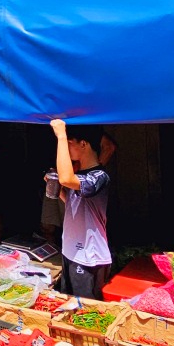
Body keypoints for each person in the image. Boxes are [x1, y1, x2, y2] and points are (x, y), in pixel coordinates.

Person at [50, 118, 111, 301]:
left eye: (70, 144)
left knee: (85, 311)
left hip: (89, 257)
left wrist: (61, 135)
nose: (67, 149)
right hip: (70, 250)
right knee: (69, 306)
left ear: (83, 144)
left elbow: (66, 179)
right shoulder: (80, 175)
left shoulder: (99, 176)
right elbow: (73, 201)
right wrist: (58, 190)